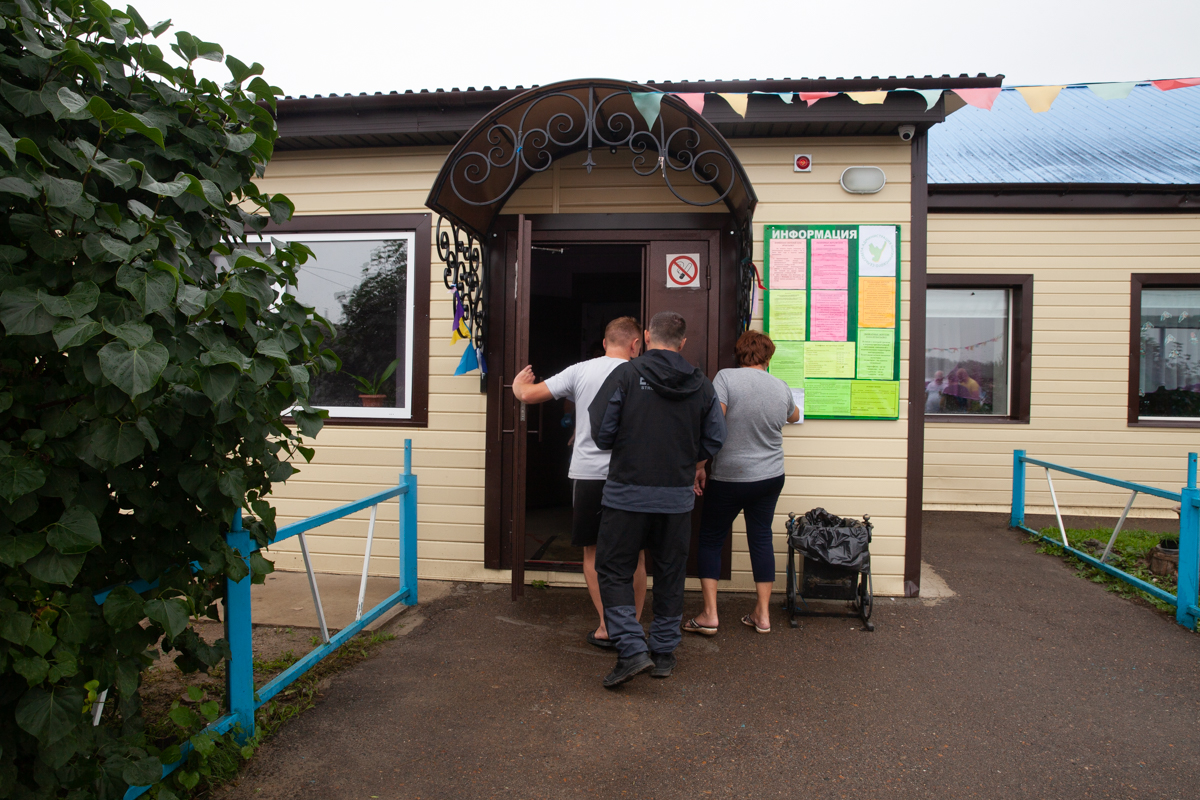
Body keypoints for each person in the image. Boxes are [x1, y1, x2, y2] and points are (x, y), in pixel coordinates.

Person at [588, 311, 726, 687]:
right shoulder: (701, 384)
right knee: (669, 572)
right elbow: (715, 437)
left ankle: (632, 649)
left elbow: (601, 431)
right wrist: (688, 457)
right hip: (676, 499)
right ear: (682, 343)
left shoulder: (626, 375)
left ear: (646, 337)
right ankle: (663, 652)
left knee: (614, 569)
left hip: (626, 495)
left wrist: (630, 446)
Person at [510, 316, 647, 649]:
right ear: (635, 345)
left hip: (589, 475)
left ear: (604, 342)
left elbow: (528, 395)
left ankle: (606, 625)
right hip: (633, 476)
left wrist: (517, 385)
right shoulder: (644, 374)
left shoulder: (579, 370)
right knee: (637, 555)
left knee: (593, 552)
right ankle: (633, 626)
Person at [687, 330, 799, 637]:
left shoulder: (725, 378)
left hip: (730, 476)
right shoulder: (780, 386)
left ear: (740, 353)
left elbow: (714, 424)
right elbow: (794, 415)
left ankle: (710, 615)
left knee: (710, 539)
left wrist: (699, 465)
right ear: (768, 357)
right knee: (760, 538)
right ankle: (762, 614)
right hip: (770, 476)